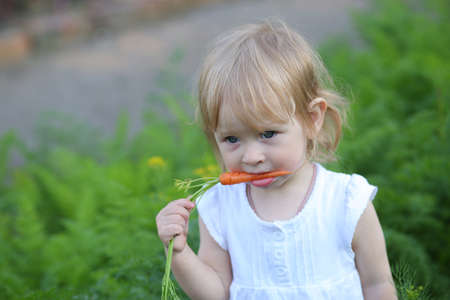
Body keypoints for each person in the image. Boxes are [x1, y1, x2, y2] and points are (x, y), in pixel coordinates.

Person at [156, 19, 397, 300]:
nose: (252, 157)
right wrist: (179, 253)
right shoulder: (220, 206)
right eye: (232, 139)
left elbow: (377, 285)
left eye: (268, 133)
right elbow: (216, 294)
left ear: (312, 119)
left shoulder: (346, 201)